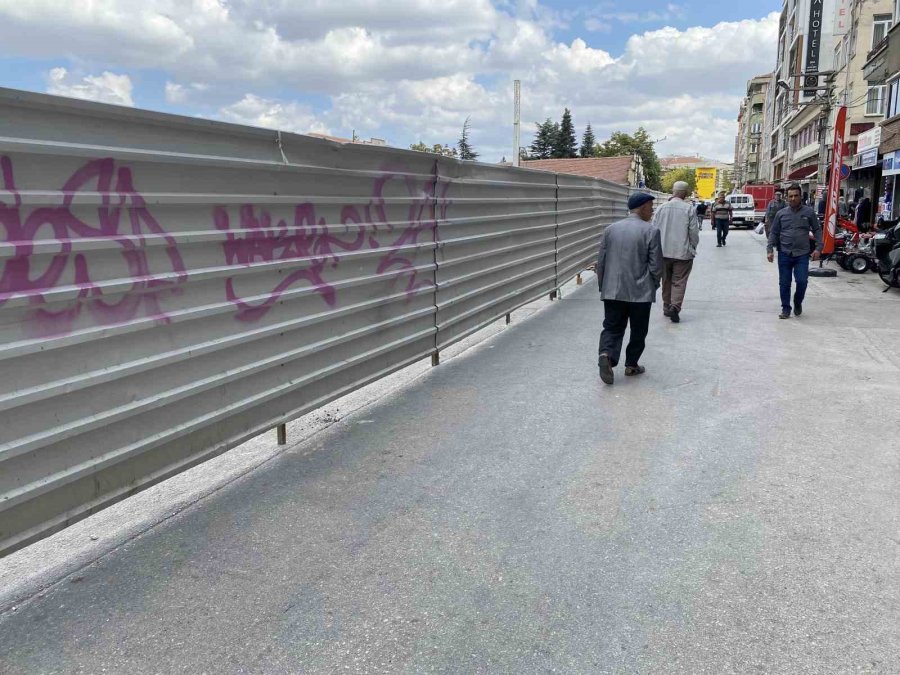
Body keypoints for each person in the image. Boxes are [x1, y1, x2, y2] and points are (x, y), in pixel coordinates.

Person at [596, 192, 663, 385]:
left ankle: (607, 355)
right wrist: (653, 284)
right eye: (651, 207)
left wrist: (604, 286)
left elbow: (601, 262)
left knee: (612, 326)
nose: (652, 211)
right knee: (638, 329)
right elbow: (656, 266)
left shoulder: (610, 230)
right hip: (640, 292)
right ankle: (631, 365)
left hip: (613, 290)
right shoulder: (651, 231)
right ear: (642, 207)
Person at [766, 183, 823, 319]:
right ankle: (786, 308)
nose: (793, 199)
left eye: (795, 196)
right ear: (787, 198)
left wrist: (818, 248)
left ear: (800, 197)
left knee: (802, 281)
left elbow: (817, 230)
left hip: (802, 254)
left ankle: (798, 302)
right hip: (784, 253)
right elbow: (773, 232)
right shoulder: (781, 214)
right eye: (790, 196)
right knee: (784, 283)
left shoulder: (808, 212)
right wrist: (769, 249)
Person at [652, 180, 699, 323]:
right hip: (682, 254)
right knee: (679, 281)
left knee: (666, 280)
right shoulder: (689, 209)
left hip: (663, 252)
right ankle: (675, 307)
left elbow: (653, 230)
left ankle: (667, 307)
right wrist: (692, 248)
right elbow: (693, 233)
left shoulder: (661, 208)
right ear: (685, 193)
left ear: (673, 191)